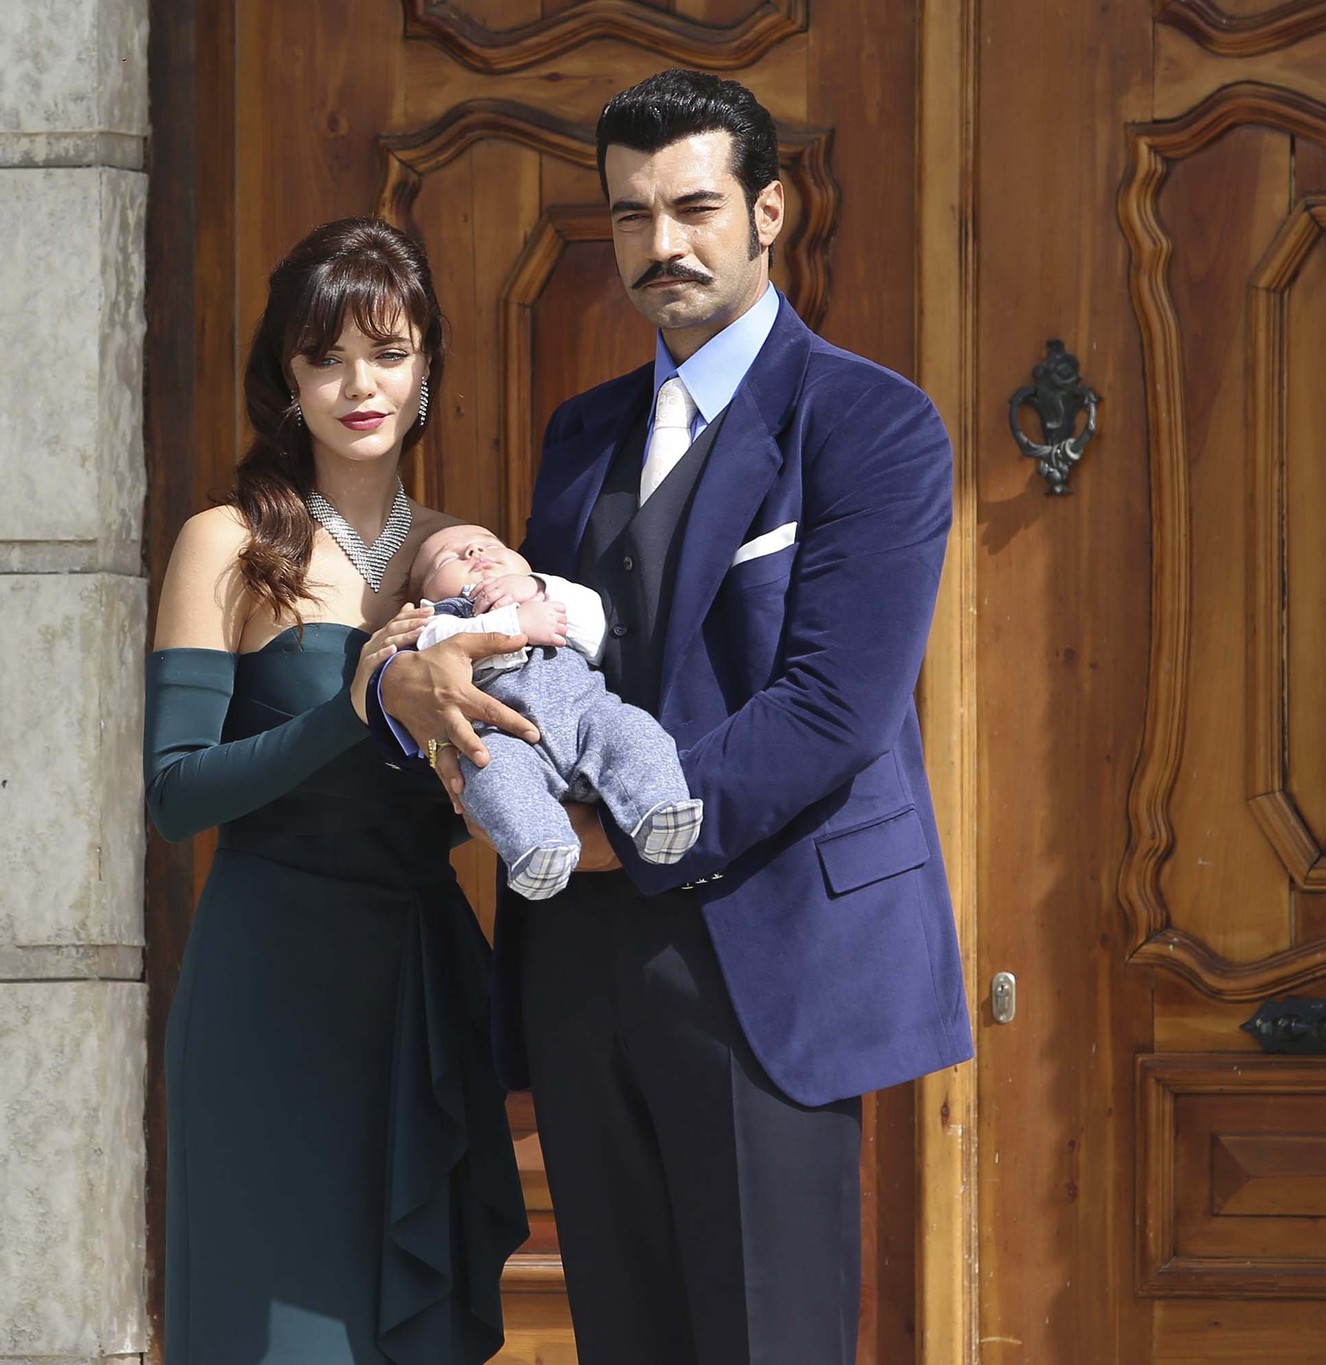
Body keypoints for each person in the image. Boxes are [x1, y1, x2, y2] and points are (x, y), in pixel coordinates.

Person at [375, 70, 974, 1361]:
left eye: (694, 208)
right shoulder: (582, 433)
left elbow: (831, 708)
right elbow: (546, 664)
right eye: (630, 215)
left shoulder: (871, 423)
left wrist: (615, 841)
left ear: (769, 212)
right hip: (580, 963)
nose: (663, 244)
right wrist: (419, 683)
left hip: (768, 954)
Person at [145, 217, 525, 1365]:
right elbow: (173, 794)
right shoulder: (225, 544)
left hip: (420, 982)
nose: (360, 386)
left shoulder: (465, 560)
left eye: (388, 353)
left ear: (426, 369)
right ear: (286, 379)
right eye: (326, 358)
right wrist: (351, 706)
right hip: (268, 993)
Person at [403, 522, 702, 899]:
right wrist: (515, 623)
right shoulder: (439, 619)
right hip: (507, 739)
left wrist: (537, 588)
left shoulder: (548, 594)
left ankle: (657, 809)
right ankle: (540, 847)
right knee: (488, 773)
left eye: (489, 544)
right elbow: (435, 645)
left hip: (587, 719)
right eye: (447, 559)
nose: (474, 553)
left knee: (634, 730)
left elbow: (597, 633)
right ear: (425, 596)